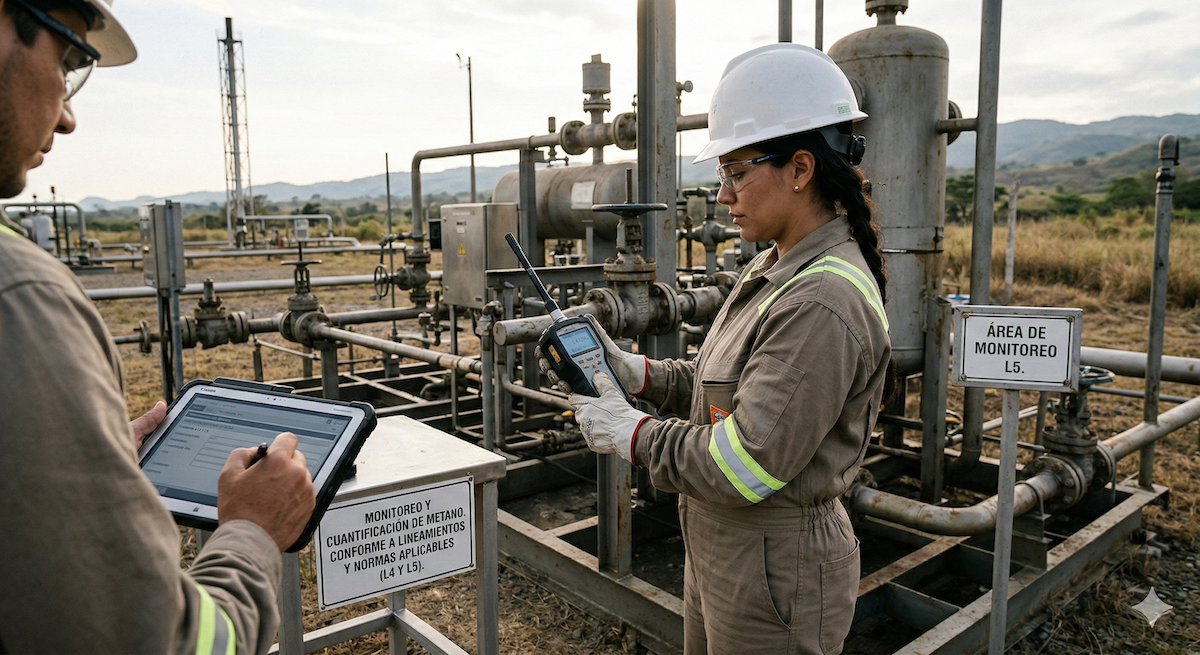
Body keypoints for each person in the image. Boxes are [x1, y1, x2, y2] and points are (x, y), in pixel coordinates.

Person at [551, 44, 892, 654]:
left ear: (800, 169)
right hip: (729, 546)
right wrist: (644, 374)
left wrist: (632, 435)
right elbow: (728, 384)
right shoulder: (776, 264)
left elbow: (745, 463)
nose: (725, 196)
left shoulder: (820, 303)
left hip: (774, 565)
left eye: (737, 173)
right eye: (723, 177)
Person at [0, 1, 315, 652]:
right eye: (65, 62)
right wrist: (252, 528)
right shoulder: (20, 295)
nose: (67, 115)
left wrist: (78, 463)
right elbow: (159, 641)